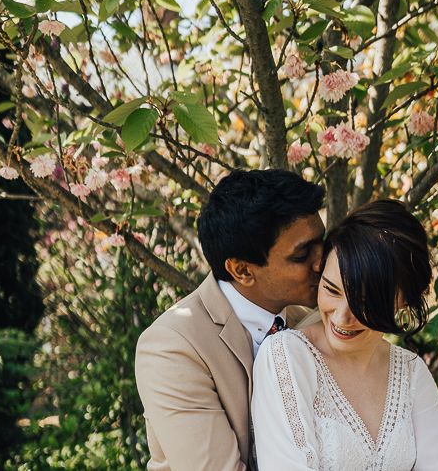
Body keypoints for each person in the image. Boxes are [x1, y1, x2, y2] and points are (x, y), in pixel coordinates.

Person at [252, 199, 438, 470]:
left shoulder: (411, 374)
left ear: (404, 301)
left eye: (363, 302)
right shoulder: (287, 357)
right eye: (331, 290)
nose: (341, 317)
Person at [135, 169, 325, 471]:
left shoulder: (317, 321)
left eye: (322, 242)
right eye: (302, 255)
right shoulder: (172, 347)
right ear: (242, 271)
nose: (323, 261)